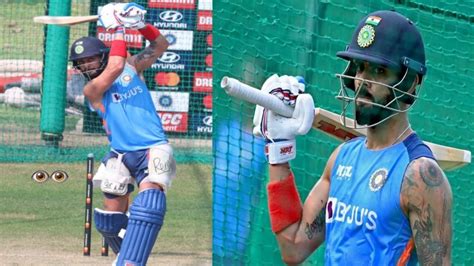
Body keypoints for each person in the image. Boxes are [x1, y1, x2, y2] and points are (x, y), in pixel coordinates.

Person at [253, 10, 452, 265]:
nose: (362, 81)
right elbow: (293, 247)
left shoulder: (420, 176)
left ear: (410, 83)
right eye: (360, 68)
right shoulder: (341, 158)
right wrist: (279, 149)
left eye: (379, 71)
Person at [69, 2, 176, 265]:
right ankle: (129, 257)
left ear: (102, 55)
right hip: (119, 155)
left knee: (149, 202)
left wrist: (141, 26)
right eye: (81, 63)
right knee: (109, 223)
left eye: (91, 58)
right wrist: (117, 27)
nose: (86, 65)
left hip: (152, 147)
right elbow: (114, 67)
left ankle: (130, 262)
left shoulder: (132, 66)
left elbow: (160, 46)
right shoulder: (92, 89)